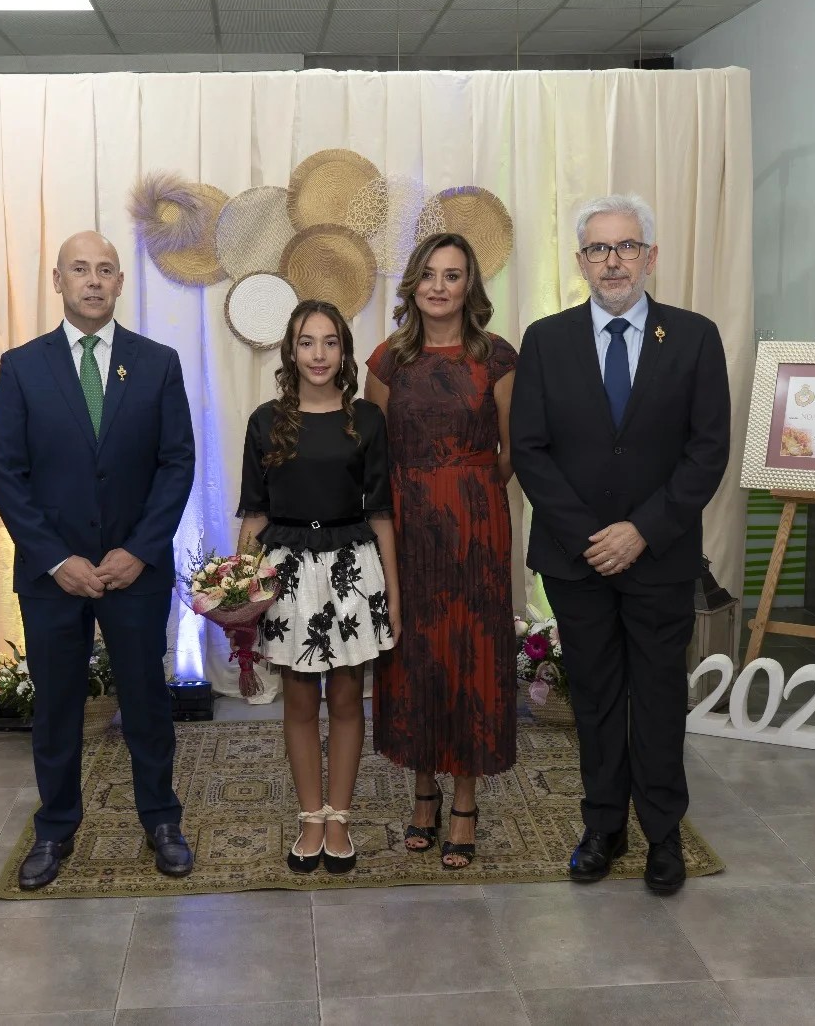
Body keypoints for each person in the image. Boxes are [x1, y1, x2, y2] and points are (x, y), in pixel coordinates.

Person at [510, 194, 730, 894]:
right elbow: (531, 449)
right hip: (576, 561)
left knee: (660, 698)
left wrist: (642, 530)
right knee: (597, 698)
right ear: (581, 261)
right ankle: (603, 826)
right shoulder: (546, 339)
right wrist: (588, 537)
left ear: (650, 257)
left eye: (626, 247)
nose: (613, 261)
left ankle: (663, 835)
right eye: (599, 249)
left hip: (660, 557)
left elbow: (707, 451)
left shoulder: (694, 337)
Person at [0, 231, 196, 890]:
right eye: (80, 269)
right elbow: (7, 474)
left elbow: (176, 464)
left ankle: (161, 819)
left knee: (146, 700)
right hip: (54, 578)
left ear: (119, 283)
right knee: (55, 706)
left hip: (135, 573)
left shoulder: (157, 364)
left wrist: (138, 551)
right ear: (58, 281)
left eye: (106, 269)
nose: (94, 280)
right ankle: (55, 828)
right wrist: (55, 559)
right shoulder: (22, 367)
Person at [364, 233, 518, 870]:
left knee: (471, 661)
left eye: (452, 276)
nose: (438, 286)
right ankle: (422, 792)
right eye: (428, 274)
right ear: (412, 284)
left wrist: (468, 495)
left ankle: (463, 802)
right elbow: (375, 457)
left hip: (476, 531)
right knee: (417, 659)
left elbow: (510, 453)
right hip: (406, 529)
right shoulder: (387, 361)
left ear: (469, 286)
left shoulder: (498, 359)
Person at [237, 300, 399, 875]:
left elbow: (381, 515)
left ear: (345, 353)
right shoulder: (265, 421)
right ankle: (311, 817)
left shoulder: (366, 421)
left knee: (350, 698)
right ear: (291, 350)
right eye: (308, 342)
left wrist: (394, 603)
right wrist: (240, 593)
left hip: (352, 571)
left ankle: (340, 817)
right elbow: (253, 515)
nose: (319, 354)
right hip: (286, 574)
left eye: (331, 342)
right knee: (301, 701)